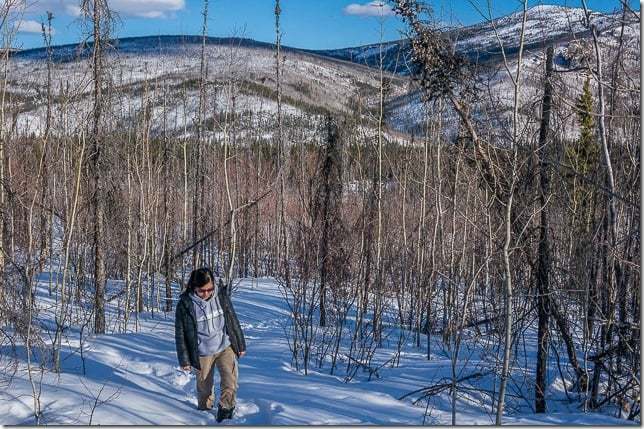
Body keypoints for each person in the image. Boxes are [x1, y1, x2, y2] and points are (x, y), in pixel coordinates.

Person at [175, 267, 246, 422]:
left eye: (209, 289)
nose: (206, 294)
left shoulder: (221, 296)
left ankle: (226, 411)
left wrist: (240, 344)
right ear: (193, 287)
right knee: (204, 388)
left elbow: (232, 319)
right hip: (202, 352)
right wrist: (185, 360)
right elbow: (180, 334)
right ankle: (204, 414)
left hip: (224, 346)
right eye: (201, 291)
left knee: (230, 381)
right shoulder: (185, 305)